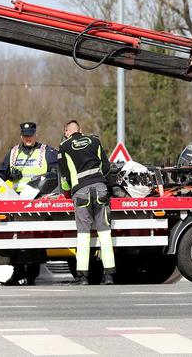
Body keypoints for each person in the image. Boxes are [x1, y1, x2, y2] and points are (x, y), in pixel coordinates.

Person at [0, 122, 58, 286]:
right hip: (17, 201)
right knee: (17, 239)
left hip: (38, 201)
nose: (28, 138)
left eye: (31, 134)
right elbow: (1, 173)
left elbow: (57, 172)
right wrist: (3, 178)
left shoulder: (47, 152)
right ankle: (18, 273)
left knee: (35, 239)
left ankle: (32, 275)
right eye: (25, 135)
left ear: (36, 134)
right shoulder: (13, 152)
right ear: (21, 136)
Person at [58, 120, 115, 285]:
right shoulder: (95, 141)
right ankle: (109, 275)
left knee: (83, 235)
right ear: (80, 130)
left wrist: (68, 191)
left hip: (81, 192)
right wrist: (99, 180)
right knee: (105, 233)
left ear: (66, 132)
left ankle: (83, 277)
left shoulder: (64, 147)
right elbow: (106, 166)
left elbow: (65, 177)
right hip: (101, 189)